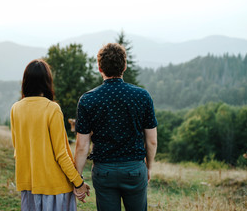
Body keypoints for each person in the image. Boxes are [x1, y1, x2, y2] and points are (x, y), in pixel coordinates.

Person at [74, 43, 158, 210]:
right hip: (134, 169)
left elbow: (82, 147)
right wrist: (147, 167)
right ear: (124, 66)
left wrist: (78, 180)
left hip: (104, 171)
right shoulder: (142, 96)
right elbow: (152, 141)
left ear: (99, 68)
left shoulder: (88, 100)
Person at [10, 59, 89, 211]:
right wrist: (78, 182)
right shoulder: (52, 109)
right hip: (55, 188)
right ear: (47, 81)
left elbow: (17, 149)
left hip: (30, 186)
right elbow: (61, 154)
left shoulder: (16, 108)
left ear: (25, 81)